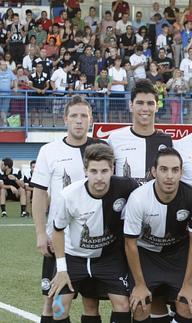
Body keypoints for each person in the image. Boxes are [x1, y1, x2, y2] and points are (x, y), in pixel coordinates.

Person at [31, 96, 106, 323]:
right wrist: (41, 233)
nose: (79, 121)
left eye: (84, 116)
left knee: (91, 303)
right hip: (59, 238)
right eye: (74, 115)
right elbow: (39, 194)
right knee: (53, 301)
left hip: (93, 240)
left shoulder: (102, 149)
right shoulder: (49, 151)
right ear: (65, 119)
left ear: (91, 120)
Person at [48, 143, 139, 323]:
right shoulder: (69, 195)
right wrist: (61, 269)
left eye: (104, 171)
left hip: (109, 257)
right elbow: (57, 231)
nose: (99, 177)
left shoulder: (127, 187)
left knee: (122, 304)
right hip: (74, 257)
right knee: (58, 307)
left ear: (112, 169)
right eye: (94, 171)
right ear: (85, 171)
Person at [123, 147, 192, 323]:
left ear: (181, 172)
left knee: (187, 303)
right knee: (140, 305)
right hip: (146, 254)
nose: (169, 176)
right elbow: (130, 244)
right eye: (163, 169)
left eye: (175, 170)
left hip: (177, 254)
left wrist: (188, 283)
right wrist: (139, 285)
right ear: (154, 171)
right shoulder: (138, 198)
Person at [107, 79, 173, 185]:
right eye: (140, 103)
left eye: (150, 103)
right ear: (131, 105)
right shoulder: (114, 139)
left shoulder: (168, 141)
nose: (145, 108)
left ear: (157, 107)